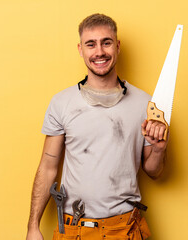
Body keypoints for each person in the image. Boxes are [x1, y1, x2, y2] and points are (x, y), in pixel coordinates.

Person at [26, 13, 168, 240]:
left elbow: (155, 172)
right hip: (74, 230)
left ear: (118, 46)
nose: (99, 52)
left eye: (106, 42)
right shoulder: (62, 102)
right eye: (91, 44)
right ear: (81, 49)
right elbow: (48, 166)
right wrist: (33, 226)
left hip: (125, 229)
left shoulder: (146, 104)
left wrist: (159, 149)